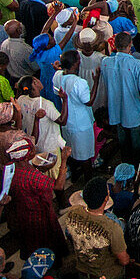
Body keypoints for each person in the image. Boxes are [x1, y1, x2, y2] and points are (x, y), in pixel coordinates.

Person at [59, 176, 130, 279]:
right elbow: (124, 261)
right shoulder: (112, 227)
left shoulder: (73, 212)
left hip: (83, 272)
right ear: (106, 199)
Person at [6, 138, 69, 257]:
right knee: (46, 242)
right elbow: (59, 186)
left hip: (24, 214)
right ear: (25, 157)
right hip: (40, 214)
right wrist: (64, 159)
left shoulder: (11, 170)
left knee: (32, 243)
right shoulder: (31, 176)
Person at [102, 32, 140, 164]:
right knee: (138, 147)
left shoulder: (105, 63)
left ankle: (126, 170)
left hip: (117, 112)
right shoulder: (137, 65)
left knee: (124, 145)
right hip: (135, 112)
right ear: (130, 45)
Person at [54, 50, 98, 181]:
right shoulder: (79, 82)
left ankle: (74, 175)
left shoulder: (57, 76)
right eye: (78, 60)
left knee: (71, 151)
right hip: (81, 124)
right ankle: (88, 180)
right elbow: (89, 102)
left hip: (67, 121)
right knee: (85, 156)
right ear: (74, 64)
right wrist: (96, 81)